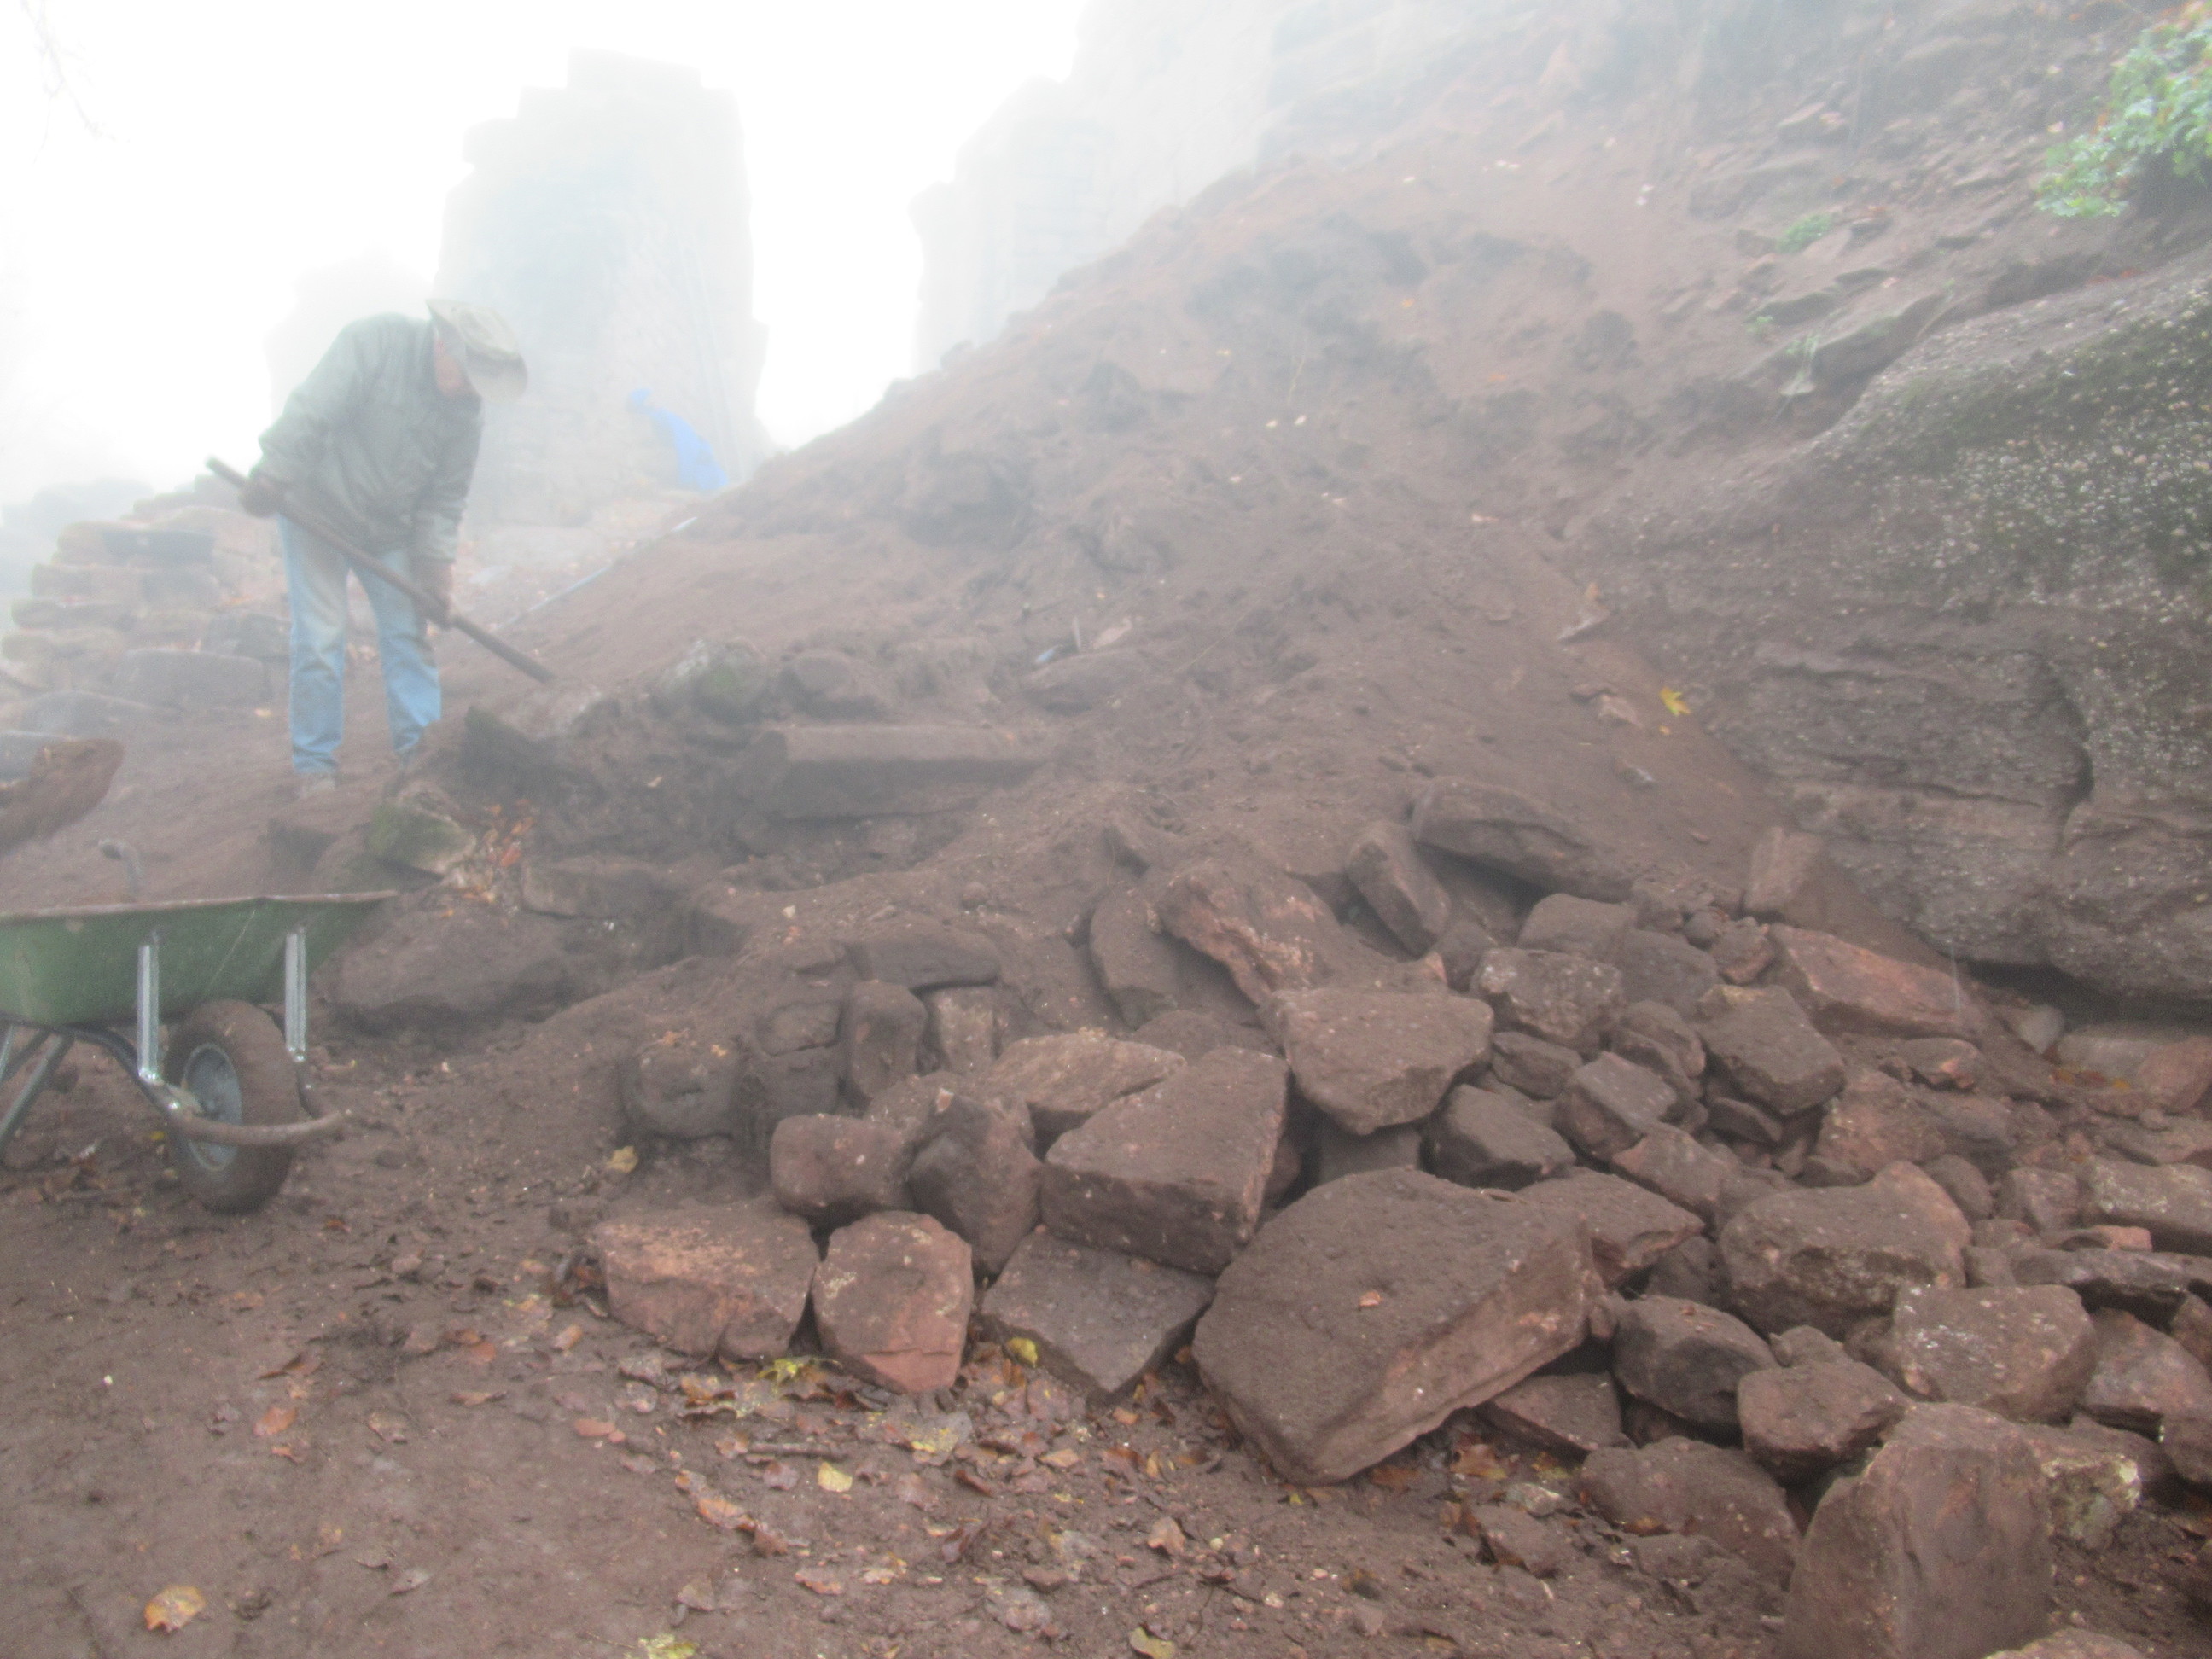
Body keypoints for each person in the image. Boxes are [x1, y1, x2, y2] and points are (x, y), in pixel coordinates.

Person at [236, 300, 526, 796]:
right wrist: (275, 472)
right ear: (441, 344)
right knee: (321, 638)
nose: (468, 390)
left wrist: (435, 572)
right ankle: (315, 765)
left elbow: (444, 498)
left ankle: (421, 756)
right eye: (465, 376)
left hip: (389, 531)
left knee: (409, 635)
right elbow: (315, 410)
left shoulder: (465, 415)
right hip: (316, 509)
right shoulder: (375, 343)